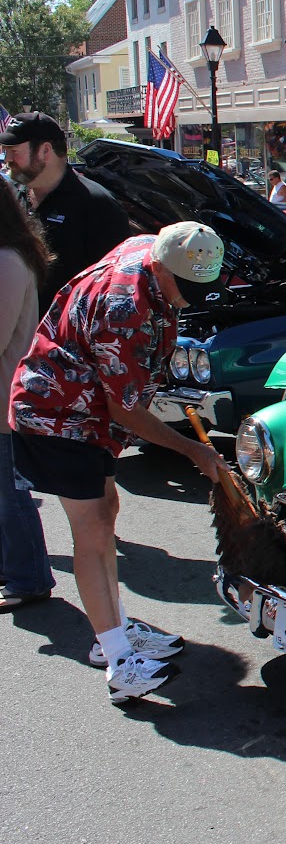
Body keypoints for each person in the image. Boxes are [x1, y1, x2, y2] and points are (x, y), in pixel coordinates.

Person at [10, 222, 228, 702]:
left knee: (106, 515)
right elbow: (125, 408)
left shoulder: (147, 247)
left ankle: (117, 628)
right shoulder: (123, 309)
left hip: (84, 412)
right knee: (91, 534)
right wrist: (193, 450)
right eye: (184, 287)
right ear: (158, 265)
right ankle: (116, 659)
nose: (189, 299)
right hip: (60, 415)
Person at [0, 111, 129, 309]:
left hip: (67, 335)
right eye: (4, 150)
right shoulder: (11, 197)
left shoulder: (97, 205)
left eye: (14, 151)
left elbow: (113, 286)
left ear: (45, 150)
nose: (6, 159)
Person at [0, 187, 54, 612]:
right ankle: (15, 570)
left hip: (3, 397)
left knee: (10, 494)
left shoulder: (7, 261)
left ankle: (29, 577)